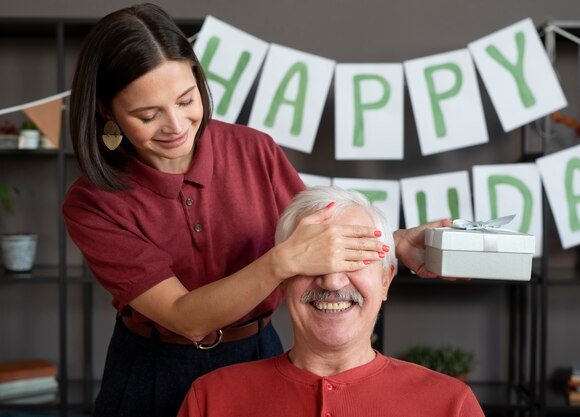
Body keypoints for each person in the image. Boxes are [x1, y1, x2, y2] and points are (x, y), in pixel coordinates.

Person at [62, 4, 452, 417]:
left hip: (256, 354)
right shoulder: (93, 202)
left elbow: (315, 238)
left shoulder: (253, 150)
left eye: (186, 99)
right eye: (147, 114)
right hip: (151, 371)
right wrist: (281, 261)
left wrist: (395, 242)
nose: (176, 126)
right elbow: (185, 316)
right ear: (107, 111)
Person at [177, 186, 483, 417]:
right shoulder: (211, 399)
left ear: (386, 280)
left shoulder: (451, 406)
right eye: (312, 260)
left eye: (354, 258)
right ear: (281, 282)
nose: (333, 281)